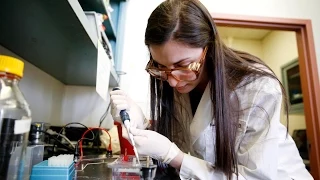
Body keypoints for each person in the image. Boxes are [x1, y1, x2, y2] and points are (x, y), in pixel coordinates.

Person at [110, 0, 313, 179]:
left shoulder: (257, 88)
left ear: (209, 48)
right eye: (161, 67)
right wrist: (140, 121)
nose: (172, 81)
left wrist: (175, 157)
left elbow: (254, 177)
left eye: (183, 65)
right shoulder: (177, 81)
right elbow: (190, 139)